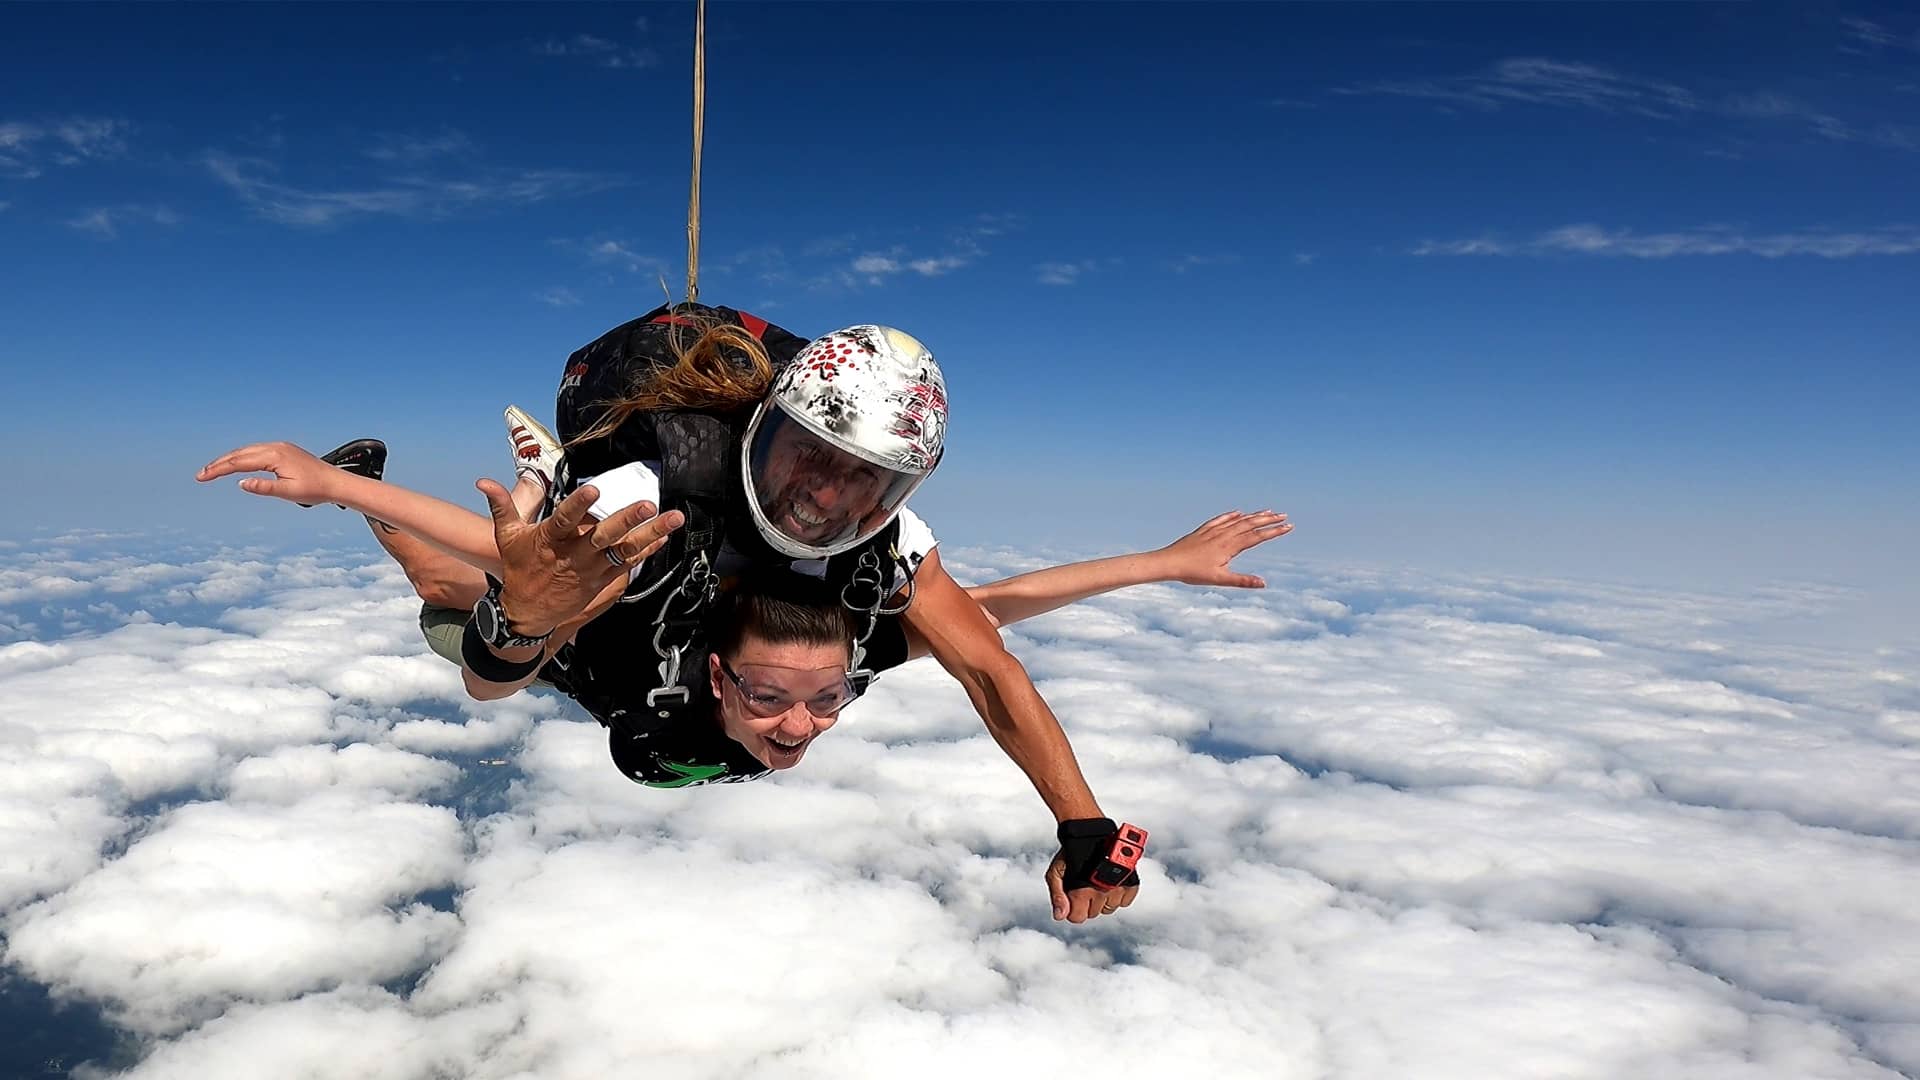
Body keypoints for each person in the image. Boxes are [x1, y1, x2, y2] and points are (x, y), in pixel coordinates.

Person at [199, 302, 1290, 923]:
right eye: (806, 459)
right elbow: (497, 622)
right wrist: (343, 489)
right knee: (465, 599)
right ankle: (425, 497)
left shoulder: (864, 590)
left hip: (684, 608)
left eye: (861, 482)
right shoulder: (664, 499)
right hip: (611, 634)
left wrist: (1159, 569)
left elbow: (992, 646)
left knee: (529, 580)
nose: (823, 499)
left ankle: (508, 506)